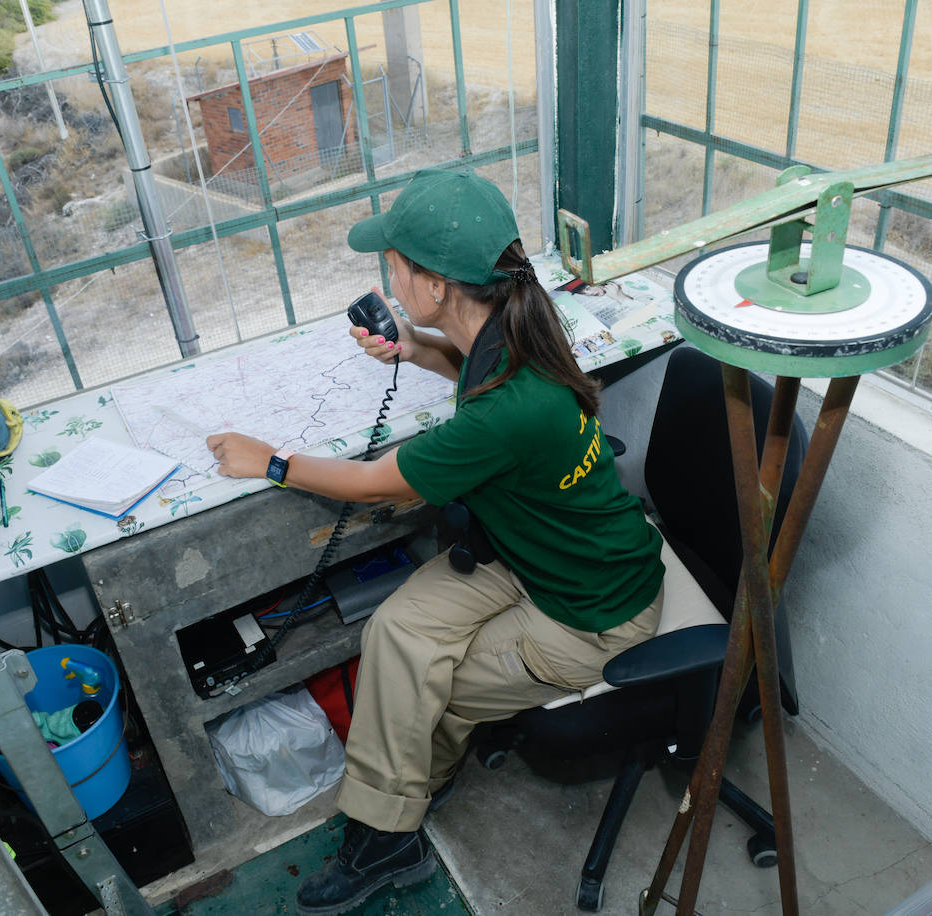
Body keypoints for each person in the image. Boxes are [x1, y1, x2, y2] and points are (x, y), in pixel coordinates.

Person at [205, 169, 721, 916]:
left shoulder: (503, 413)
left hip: (591, 611)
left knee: (423, 687)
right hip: (540, 552)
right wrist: (415, 349)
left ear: (441, 284)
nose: (388, 275)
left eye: (397, 265)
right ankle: (408, 786)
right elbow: (472, 381)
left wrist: (271, 461)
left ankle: (389, 834)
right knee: (397, 631)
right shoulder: (517, 330)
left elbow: (378, 482)